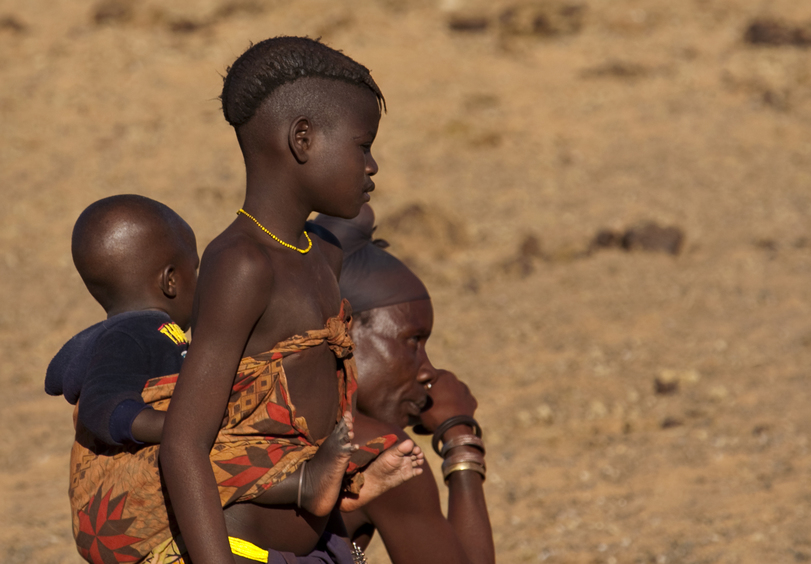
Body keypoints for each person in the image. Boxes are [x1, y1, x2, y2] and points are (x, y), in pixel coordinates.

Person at [159, 36, 423, 564]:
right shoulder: (242, 264)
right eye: (362, 145)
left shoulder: (318, 253)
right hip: (243, 551)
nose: (372, 167)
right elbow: (183, 444)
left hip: (320, 547)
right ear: (303, 139)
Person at [314, 205, 495, 564]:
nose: (428, 371)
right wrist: (460, 440)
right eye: (413, 341)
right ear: (346, 330)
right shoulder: (380, 450)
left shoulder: (259, 417)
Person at [45, 194, 198, 447]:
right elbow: (102, 403)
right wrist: (184, 427)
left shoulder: (133, 333)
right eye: (194, 269)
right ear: (170, 281)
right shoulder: (131, 336)